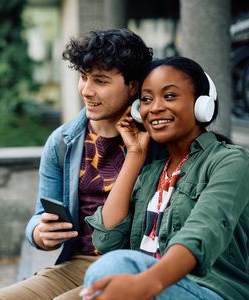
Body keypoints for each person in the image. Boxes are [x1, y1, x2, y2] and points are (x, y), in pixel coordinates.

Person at [0, 28, 153, 300]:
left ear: (133, 85)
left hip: (137, 265)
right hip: (78, 264)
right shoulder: (62, 141)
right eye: (83, 77)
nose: (87, 90)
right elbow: (40, 214)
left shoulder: (154, 139)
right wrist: (39, 232)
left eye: (101, 81)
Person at [80, 57, 249, 300]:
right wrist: (135, 155)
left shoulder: (231, 163)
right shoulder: (151, 173)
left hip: (209, 291)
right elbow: (107, 240)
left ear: (202, 105)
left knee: (113, 267)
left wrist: (148, 284)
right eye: (146, 100)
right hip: (150, 287)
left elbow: (203, 231)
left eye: (169, 96)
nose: (155, 107)